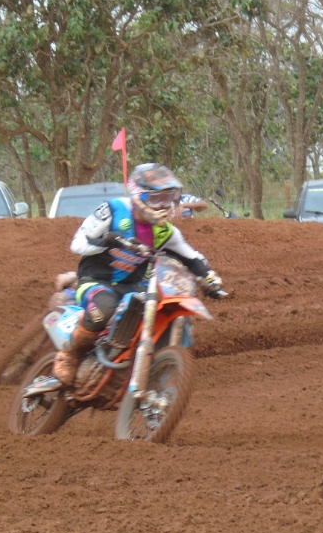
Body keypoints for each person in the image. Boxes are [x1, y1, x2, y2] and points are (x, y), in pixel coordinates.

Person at [53, 163, 224, 385]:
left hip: (132, 286)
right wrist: (109, 240)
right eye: (156, 199)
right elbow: (78, 244)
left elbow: (191, 257)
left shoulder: (165, 231)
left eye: (169, 198)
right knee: (103, 311)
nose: (164, 205)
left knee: (161, 311)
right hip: (96, 280)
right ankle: (70, 355)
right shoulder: (113, 210)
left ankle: (144, 364)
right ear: (138, 195)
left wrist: (210, 279)